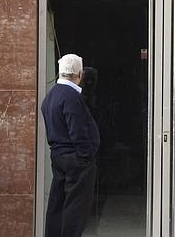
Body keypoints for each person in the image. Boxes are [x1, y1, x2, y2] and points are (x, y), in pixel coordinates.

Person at [41, 54, 100, 237]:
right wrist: (86, 155)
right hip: (75, 160)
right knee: (75, 209)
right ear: (79, 74)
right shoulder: (71, 97)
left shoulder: (51, 95)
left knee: (58, 205)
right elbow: (78, 131)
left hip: (59, 157)